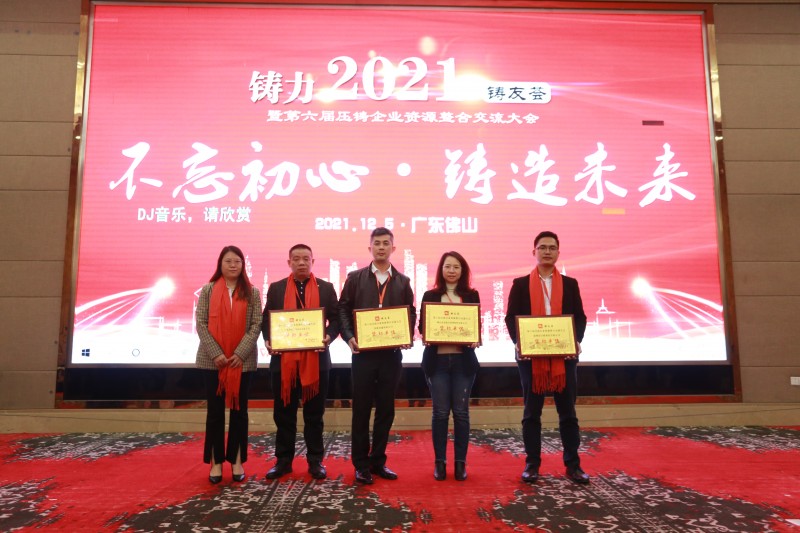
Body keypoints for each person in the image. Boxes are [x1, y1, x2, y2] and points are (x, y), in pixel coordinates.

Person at [504, 231, 589, 484]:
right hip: (532, 359)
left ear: (558, 253)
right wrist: (520, 343)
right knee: (532, 413)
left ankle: (573, 465)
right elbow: (511, 317)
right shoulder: (520, 284)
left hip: (564, 357)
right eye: (542, 247)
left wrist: (575, 340)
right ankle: (532, 464)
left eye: (552, 248)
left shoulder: (570, 284)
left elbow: (580, 317)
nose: (547, 251)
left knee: (568, 413)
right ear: (534, 252)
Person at [338, 227, 416, 484]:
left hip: (391, 355)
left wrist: (407, 335)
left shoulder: (403, 281)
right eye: (377, 243)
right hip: (363, 354)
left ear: (393, 248)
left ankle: (378, 461)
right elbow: (343, 309)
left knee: (386, 410)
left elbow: (410, 312)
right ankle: (361, 464)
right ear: (369, 247)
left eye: (386, 243)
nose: (381, 247)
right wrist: (349, 336)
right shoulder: (355, 278)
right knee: (361, 410)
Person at [261, 244, 340, 481]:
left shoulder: (326, 288)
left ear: (313, 261)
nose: (301, 263)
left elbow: (336, 319)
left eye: (306, 258)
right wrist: (268, 339)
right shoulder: (276, 288)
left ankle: (315, 461)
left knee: (314, 415)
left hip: (316, 361)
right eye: (296, 259)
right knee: (283, 414)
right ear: (289, 262)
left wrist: (329, 336)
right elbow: (267, 320)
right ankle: (283, 461)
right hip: (284, 363)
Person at [195, 245, 263, 484]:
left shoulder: (252, 292)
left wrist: (240, 353)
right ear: (220, 265)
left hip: (241, 363)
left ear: (243, 265)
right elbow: (201, 323)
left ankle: (237, 460)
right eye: (228, 261)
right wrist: (216, 353)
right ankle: (215, 462)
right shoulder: (208, 290)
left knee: (239, 412)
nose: (233, 265)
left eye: (237, 261)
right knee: (215, 413)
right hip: (212, 362)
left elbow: (256, 324)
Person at [419, 252, 480, 481]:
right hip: (438, 363)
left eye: (456, 267)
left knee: (461, 413)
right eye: (447, 266)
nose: (452, 270)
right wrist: (429, 332)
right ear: (441, 269)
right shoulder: (430, 295)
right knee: (440, 413)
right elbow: (422, 327)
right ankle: (440, 463)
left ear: (462, 270)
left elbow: (475, 326)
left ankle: (460, 463)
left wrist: (475, 338)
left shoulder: (471, 295)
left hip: (463, 362)